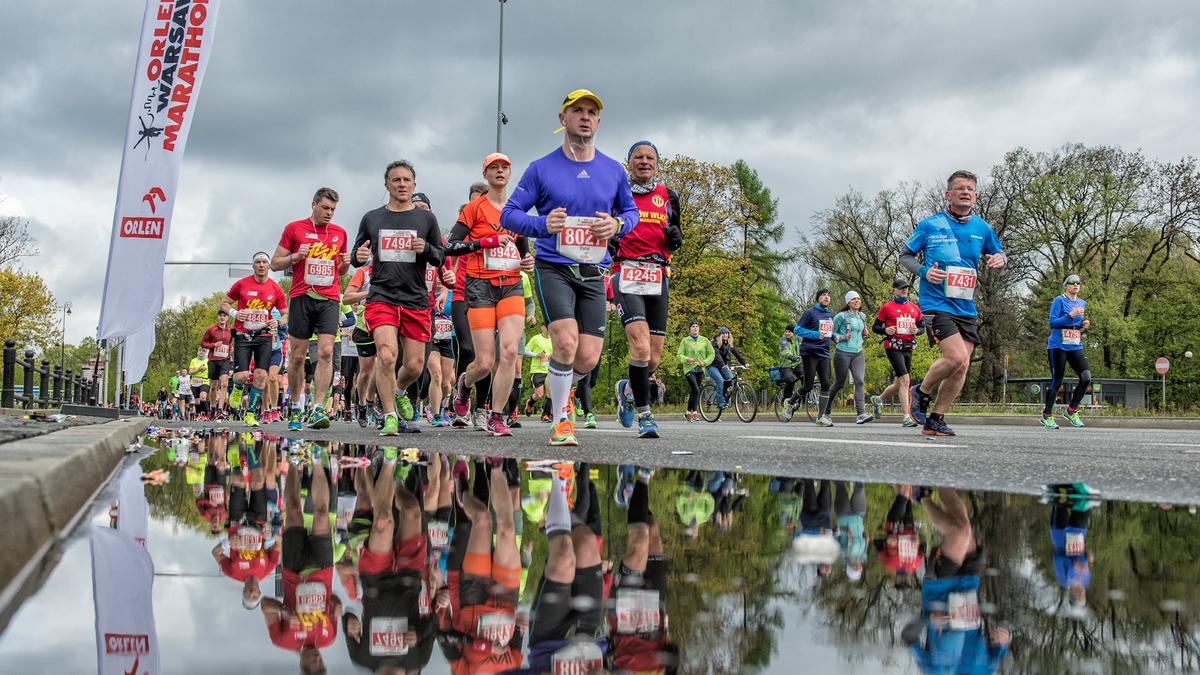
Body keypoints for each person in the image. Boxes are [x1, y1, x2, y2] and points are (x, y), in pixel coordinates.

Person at [500, 88, 639, 447]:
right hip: (554, 267)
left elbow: (631, 212)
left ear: (598, 121)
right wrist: (542, 225)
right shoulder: (541, 168)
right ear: (563, 119)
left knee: (588, 358)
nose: (586, 116)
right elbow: (509, 214)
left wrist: (617, 226)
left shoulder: (612, 170)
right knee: (564, 342)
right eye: (578, 110)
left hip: (593, 271)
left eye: (592, 112)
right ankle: (561, 418)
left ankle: (561, 391)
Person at [900, 170, 1006, 437]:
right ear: (948, 194)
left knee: (962, 366)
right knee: (955, 357)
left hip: (965, 305)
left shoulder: (982, 228)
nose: (965, 192)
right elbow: (906, 255)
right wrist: (924, 271)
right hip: (936, 302)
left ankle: (935, 419)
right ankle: (920, 391)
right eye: (960, 188)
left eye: (970, 188)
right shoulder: (930, 225)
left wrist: (1000, 259)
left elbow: (998, 251)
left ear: (976, 195)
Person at [352, 160, 446, 436]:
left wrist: (426, 248)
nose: (402, 184)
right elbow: (358, 254)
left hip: (416, 299)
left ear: (414, 185)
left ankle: (399, 390)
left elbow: (441, 256)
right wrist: (358, 257)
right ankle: (390, 414)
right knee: (386, 354)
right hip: (382, 296)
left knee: (415, 366)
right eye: (396, 180)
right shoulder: (372, 218)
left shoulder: (426, 219)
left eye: (407, 180)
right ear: (387, 185)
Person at [446, 152, 532, 437]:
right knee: (483, 362)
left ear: (510, 174)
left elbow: (523, 249)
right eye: (493, 168)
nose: (499, 171)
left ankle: (496, 416)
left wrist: (528, 260)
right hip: (479, 286)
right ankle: (464, 386)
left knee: (508, 352)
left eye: (504, 167)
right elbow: (452, 246)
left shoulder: (516, 209)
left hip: (510, 285)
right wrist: (485, 242)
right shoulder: (474, 209)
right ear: (486, 174)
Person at [612, 139, 683, 439]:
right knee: (639, 347)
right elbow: (601, 225)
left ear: (657, 163)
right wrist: (608, 241)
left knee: (652, 359)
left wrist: (676, 237)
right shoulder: (616, 192)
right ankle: (645, 415)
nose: (644, 162)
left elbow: (676, 231)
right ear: (629, 163)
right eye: (638, 157)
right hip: (625, 271)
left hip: (657, 275)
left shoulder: (669, 195)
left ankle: (627, 389)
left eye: (650, 157)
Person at [272, 187, 351, 431]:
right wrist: (295, 257)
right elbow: (276, 263)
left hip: (328, 298)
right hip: (301, 296)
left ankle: (318, 407)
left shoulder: (339, 233)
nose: (329, 213)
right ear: (314, 204)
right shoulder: (294, 228)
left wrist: (344, 265)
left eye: (333, 210)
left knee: (326, 352)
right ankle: (296, 406)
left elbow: (339, 270)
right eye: (325, 208)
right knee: (297, 356)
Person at [222, 252, 288, 428]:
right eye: (257, 262)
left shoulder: (275, 288)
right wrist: (235, 313)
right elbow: (224, 303)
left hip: (264, 336)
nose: (261, 265)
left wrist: (278, 322)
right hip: (243, 335)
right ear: (253, 266)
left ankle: (250, 414)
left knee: (261, 375)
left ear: (268, 266)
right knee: (242, 376)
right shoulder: (242, 284)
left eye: (264, 262)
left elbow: (286, 314)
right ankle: (237, 388)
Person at [871, 278, 924, 427]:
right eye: (900, 288)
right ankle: (906, 417)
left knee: (899, 383)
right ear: (894, 290)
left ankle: (878, 399)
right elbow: (875, 327)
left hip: (908, 347)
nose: (904, 290)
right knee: (905, 379)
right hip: (893, 346)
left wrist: (917, 331)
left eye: (906, 288)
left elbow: (922, 327)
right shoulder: (887, 307)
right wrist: (885, 330)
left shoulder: (914, 308)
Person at [1042, 274, 1091, 429]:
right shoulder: (1059, 300)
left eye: (1078, 282)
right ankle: (1047, 415)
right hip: (1058, 346)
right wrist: (1071, 316)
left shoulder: (1082, 302)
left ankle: (1071, 410)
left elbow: (1078, 322)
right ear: (1066, 286)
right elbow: (1052, 323)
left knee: (1086, 378)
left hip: (1075, 345)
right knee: (1058, 381)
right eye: (1072, 282)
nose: (1076, 285)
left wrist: (1084, 322)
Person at [825, 291, 873, 424]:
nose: (857, 301)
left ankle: (861, 414)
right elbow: (831, 332)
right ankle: (825, 411)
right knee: (839, 383)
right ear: (848, 302)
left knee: (860, 381)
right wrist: (841, 337)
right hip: (843, 352)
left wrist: (865, 333)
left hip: (858, 352)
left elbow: (862, 331)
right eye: (853, 299)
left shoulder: (862, 316)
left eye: (858, 298)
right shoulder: (841, 316)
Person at [792, 289, 835, 426]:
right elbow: (797, 330)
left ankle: (821, 417)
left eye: (828, 295)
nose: (826, 297)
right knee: (808, 386)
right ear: (818, 298)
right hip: (810, 352)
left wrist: (837, 337)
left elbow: (828, 332)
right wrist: (816, 334)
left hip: (824, 352)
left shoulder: (829, 314)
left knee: (826, 384)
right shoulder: (810, 313)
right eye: (823, 295)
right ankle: (790, 402)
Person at [677, 321, 714, 421]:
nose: (695, 328)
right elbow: (679, 355)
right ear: (690, 329)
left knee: (694, 391)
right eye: (693, 326)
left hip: (700, 369)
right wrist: (687, 359)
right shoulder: (685, 341)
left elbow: (711, 354)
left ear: (699, 329)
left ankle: (688, 412)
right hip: (689, 368)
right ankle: (694, 412)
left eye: (697, 326)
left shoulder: (704, 340)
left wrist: (705, 362)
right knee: (696, 390)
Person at [200, 310, 233, 417]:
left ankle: (220, 409)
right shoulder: (211, 330)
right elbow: (203, 343)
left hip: (225, 360)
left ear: (227, 318)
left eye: (224, 316)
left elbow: (230, 342)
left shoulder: (230, 330)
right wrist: (214, 345)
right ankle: (213, 407)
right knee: (213, 386)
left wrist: (230, 348)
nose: (222, 318)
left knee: (224, 384)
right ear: (217, 317)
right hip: (213, 360)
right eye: (220, 316)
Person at [709, 327, 748, 410]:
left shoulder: (728, 344)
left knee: (730, 380)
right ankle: (720, 402)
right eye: (724, 333)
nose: (725, 335)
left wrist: (744, 363)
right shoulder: (714, 343)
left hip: (723, 366)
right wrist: (723, 365)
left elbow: (736, 354)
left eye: (727, 333)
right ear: (720, 334)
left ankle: (722, 394)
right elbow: (717, 356)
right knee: (720, 380)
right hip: (713, 366)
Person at [523, 322, 554, 422]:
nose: (548, 329)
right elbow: (524, 350)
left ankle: (546, 414)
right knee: (539, 394)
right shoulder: (536, 339)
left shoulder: (553, 339)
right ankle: (530, 403)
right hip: (537, 370)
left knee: (550, 393)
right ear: (542, 327)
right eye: (546, 327)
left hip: (549, 370)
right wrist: (536, 355)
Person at [777, 327, 804, 403]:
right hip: (785, 366)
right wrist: (790, 356)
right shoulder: (783, 340)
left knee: (806, 378)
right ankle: (786, 400)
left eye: (789, 331)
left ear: (793, 332)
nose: (787, 333)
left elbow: (805, 346)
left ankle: (803, 398)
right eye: (786, 331)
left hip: (797, 364)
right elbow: (784, 351)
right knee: (790, 380)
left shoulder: (798, 339)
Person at [187, 347, 211, 419]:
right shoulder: (193, 361)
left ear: (205, 353)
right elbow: (190, 372)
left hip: (204, 381)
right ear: (197, 352)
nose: (201, 352)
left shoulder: (208, 361)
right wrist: (198, 369)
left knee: (203, 397)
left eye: (203, 351)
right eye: (200, 350)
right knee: (197, 401)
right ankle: (198, 414)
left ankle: (204, 413)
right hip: (195, 381)